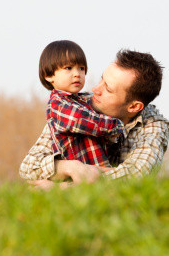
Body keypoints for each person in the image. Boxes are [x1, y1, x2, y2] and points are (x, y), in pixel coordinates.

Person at [20, 48, 169, 187]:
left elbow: (136, 174)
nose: (95, 90)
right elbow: (28, 167)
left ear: (133, 107)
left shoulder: (154, 125)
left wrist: (62, 188)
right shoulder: (76, 108)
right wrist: (70, 167)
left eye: (108, 89)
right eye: (102, 80)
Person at [39, 40, 125, 168]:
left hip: (100, 166)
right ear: (49, 75)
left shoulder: (84, 99)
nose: (77, 74)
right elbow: (79, 119)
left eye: (81, 68)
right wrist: (115, 125)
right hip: (80, 172)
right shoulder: (57, 104)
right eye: (68, 68)